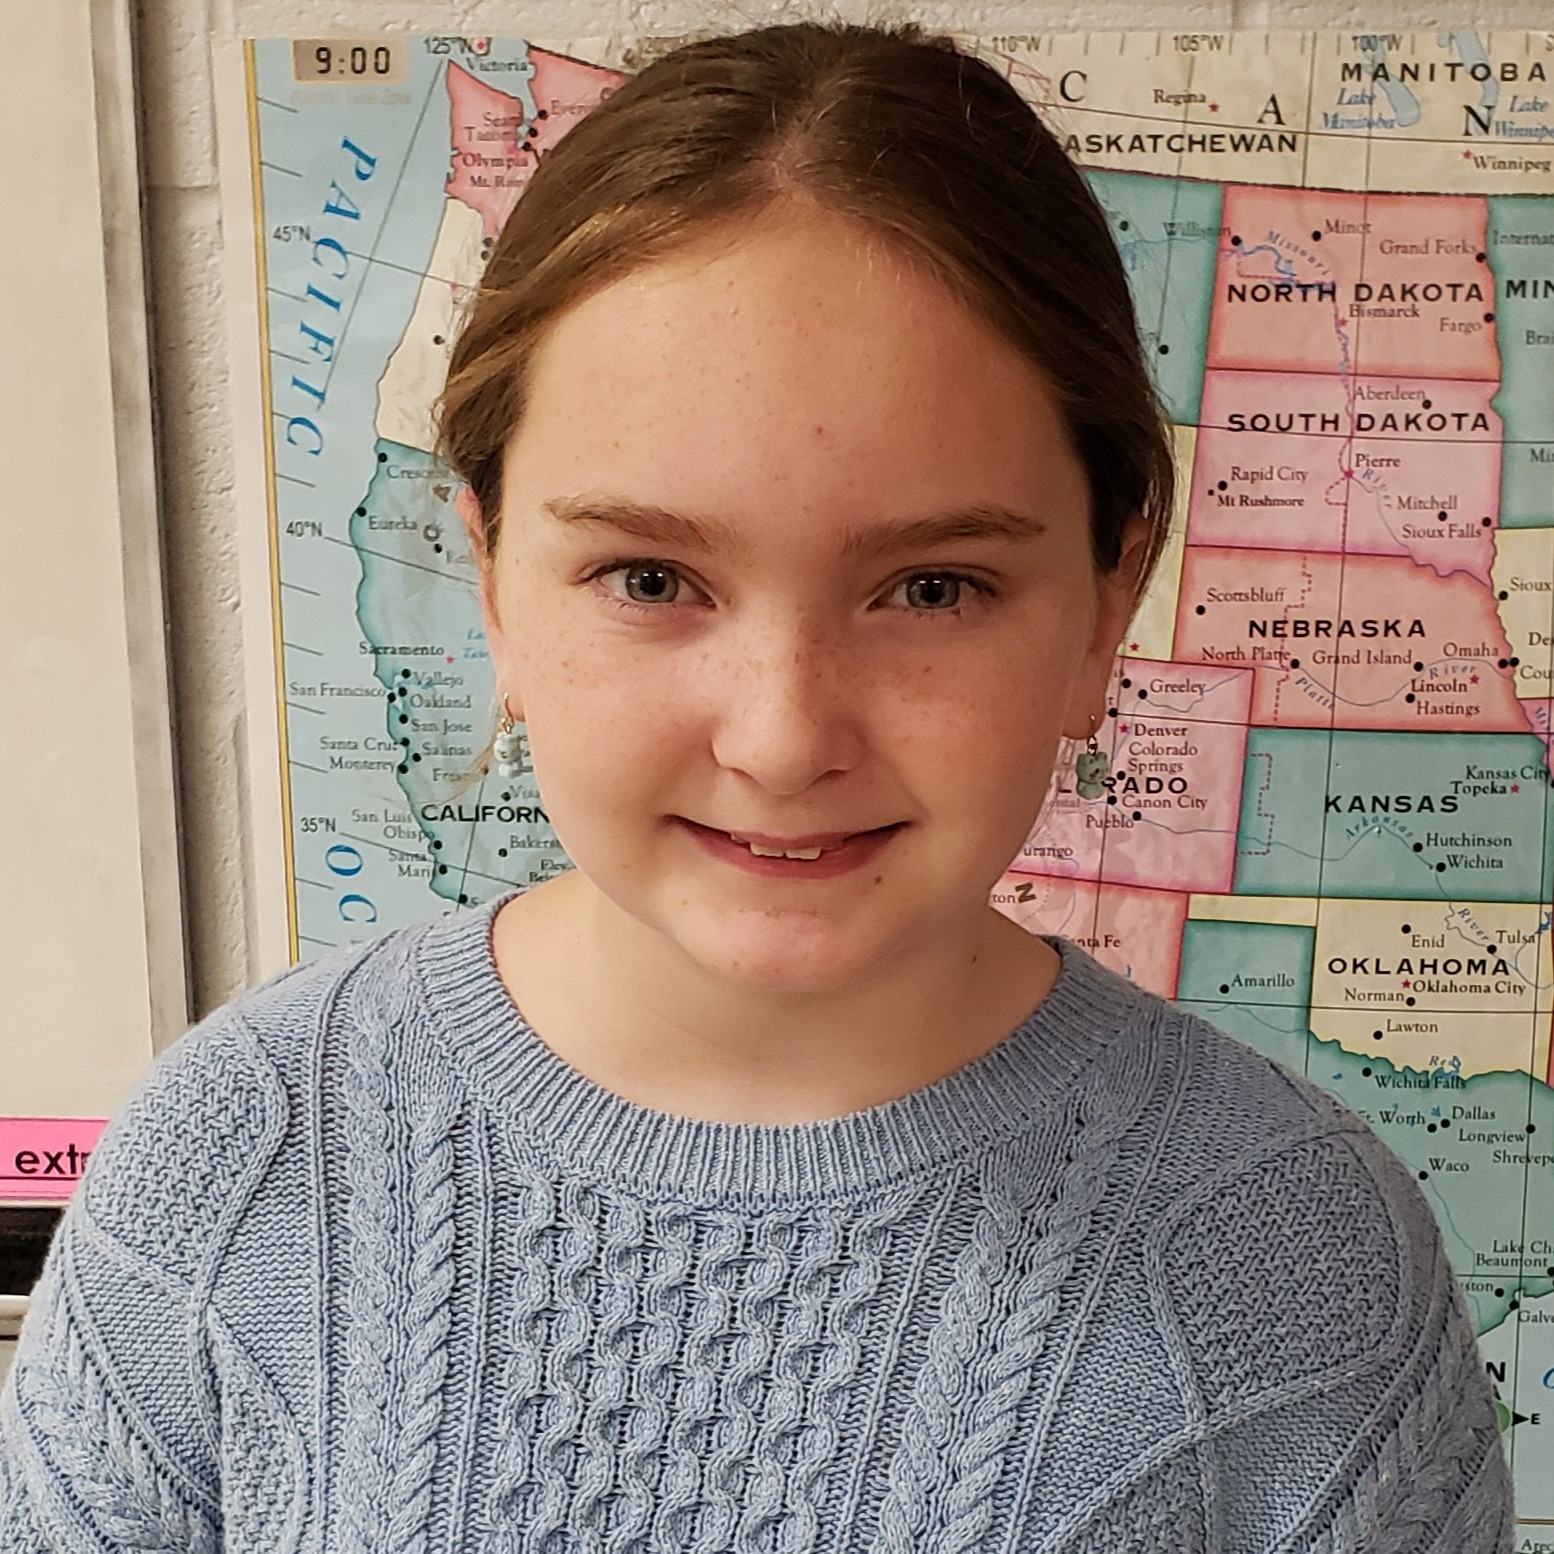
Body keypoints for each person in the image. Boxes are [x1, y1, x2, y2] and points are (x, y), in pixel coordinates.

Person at [0, 21, 1514, 1551]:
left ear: (1108, 602)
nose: (784, 739)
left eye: (932, 587)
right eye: (649, 574)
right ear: (493, 584)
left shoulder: (1300, 1267)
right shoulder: (234, 1163)